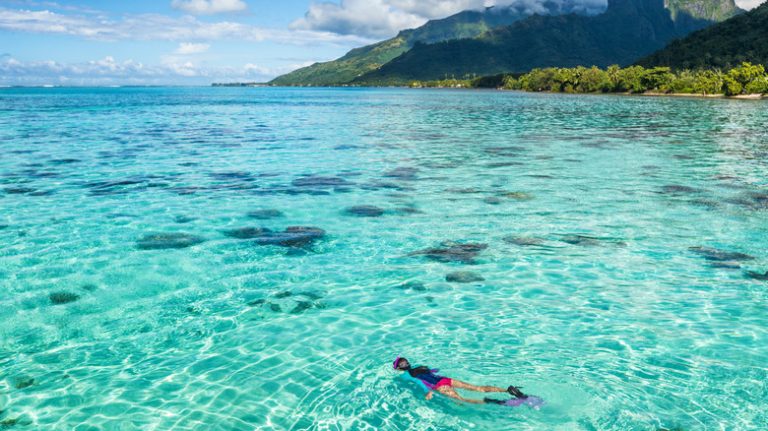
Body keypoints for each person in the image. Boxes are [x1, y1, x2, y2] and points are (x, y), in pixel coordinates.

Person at [393, 356, 527, 405]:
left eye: (404, 363)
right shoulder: (420, 367)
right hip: (445, 379)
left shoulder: (408, 374)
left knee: (462, 401)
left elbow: (422, 382)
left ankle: (499, 402)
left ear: (399, 368)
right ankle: (508, 390)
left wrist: (429, 392)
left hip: (438, 385)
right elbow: (433, 371)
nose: (405, 364)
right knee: (477, 388)